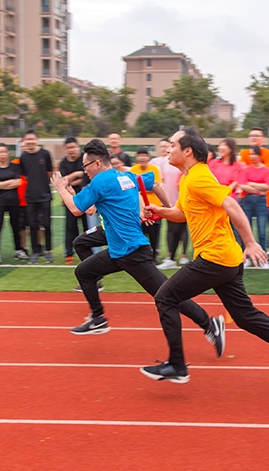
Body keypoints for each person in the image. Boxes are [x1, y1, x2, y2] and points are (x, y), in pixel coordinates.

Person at [141, 128, 269, 389]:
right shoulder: (190, 178)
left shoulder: (198, 177)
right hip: (226, 258)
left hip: (215, 257)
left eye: (172, 145)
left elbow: (232, 205)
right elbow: (183, 213)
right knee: (245, 316)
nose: (167, 149)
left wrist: (251, 242)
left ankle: (177, 365)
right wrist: (160, 211)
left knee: (165, 297)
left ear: (187, 151)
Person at [51, 138, 224, 345]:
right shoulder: (126, 176)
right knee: (84, 271)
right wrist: (168, 209)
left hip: (133, 252)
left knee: (166, 294)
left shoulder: (100, 181)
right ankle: (98, 318)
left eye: (85, 165)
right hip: (119, 251)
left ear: (97, 163)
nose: (85, 170)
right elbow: (155, 184)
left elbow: (76, 209)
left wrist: (60, 188)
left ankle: (209, 324)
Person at [153, 138, 190, 269]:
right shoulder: (160, 162)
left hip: (181, 200)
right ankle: (171, 256)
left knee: (182, 229)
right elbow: (160, 181)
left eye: (169, 146)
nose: (166, 149)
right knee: (171, 229)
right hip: (168, 200)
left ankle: (182, 256)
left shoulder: (181, 163)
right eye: (162, 146)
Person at [18, 129, 54, 264]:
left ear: (37, 140)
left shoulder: (45, 154)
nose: (30, 142)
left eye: (32, 139)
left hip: (44, 195)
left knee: (46, 224)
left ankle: (48, 251)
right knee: (33, 225)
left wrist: (42, 185)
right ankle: (35, 251)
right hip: (30, 196)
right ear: (24, 141)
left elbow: (49, 172)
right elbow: (25, 175)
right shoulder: (23, 157)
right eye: (28, 139)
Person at [0, 143, 22, 264]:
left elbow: (18, 182)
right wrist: (9, 182)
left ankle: (18, 250)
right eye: (0, 152)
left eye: (4, 152)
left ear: (8, 153)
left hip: (13, 200)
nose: (2, 154)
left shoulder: (15, 167)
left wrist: (1, 184)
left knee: (16, 226)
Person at [59, 137, 90, 265]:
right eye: (69, 148)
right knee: (70, 226)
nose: (71, 150)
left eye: (73, 147)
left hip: (86, 197)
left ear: (78, 147)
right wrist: (77, 176)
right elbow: (63, 181)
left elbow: (87, 176)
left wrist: (72, 177)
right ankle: (69, 253)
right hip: (70, 198)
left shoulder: (84, 158)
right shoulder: (63, 163)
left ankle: (89, 251)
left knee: (88, 226)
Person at [237, 145, 269, 255]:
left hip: (261, 202)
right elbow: (242, 186)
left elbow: (267, 186)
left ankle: (263, 255)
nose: (252, 157)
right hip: (247, 201)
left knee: (262, 231)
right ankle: (246, 255)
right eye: (250, 154)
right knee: (247, 230)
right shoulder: (246, 170)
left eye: (254, 154)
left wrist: (251, 184)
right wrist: (259, 190)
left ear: (259, 155)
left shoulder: (267, 170)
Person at [130, 147, 163, 262]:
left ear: (148, 157)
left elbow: (155, 186)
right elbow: (131, 188)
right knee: (140, 235)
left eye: (144, 155)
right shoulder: (133, 170)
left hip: (154, 208)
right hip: (139, 210)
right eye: (139, 155)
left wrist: (140, 187)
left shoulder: (154, 169)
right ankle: (141, 258)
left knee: (154, 236)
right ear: (136, 158)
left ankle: (153, 258)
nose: (142, 158)